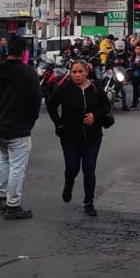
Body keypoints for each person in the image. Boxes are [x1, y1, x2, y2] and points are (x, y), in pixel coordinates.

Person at [47, 59, 112, 216]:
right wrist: (58, 124)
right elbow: (51, 106)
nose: (77, 75)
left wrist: (95, 116)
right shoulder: (64, 88)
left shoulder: (95, 87)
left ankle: (89, 202)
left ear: (86, 72)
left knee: (89, 168)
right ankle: (69, 184)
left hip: (93, 136)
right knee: (72, 168)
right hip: (70, 136)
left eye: (80, 72)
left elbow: (106, 106)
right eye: (74, 72)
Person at [0, 36, 41, 219]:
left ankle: (3, 198)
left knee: (4, 160)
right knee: (17, 166)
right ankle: (13, 205)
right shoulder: (28, 73)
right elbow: (36, 100)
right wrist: (30, 121)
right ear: (23, 52)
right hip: (19, 126)